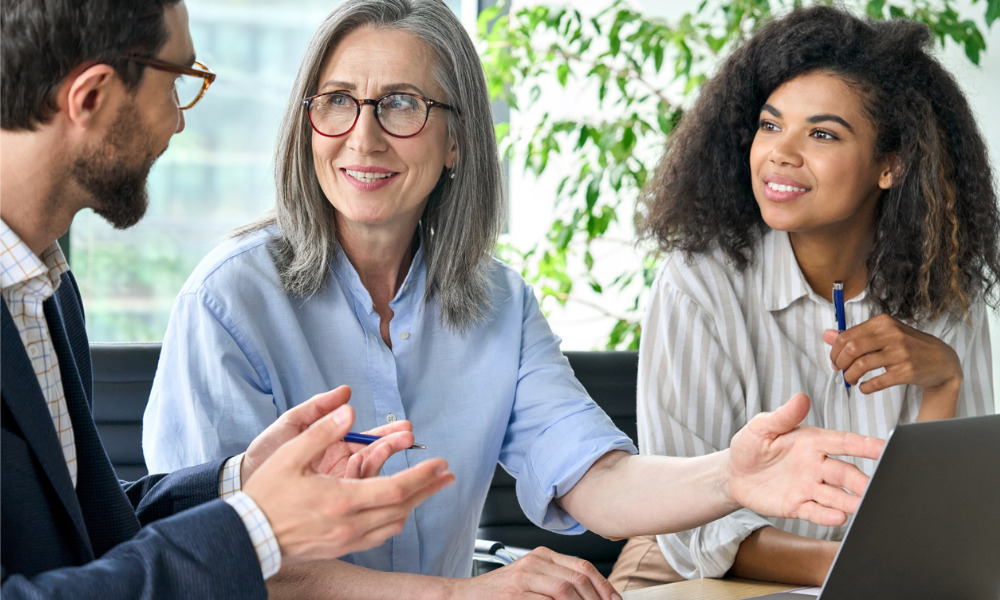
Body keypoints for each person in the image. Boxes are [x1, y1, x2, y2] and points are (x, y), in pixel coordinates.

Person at [141, 1, 886, 598]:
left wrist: (733, 475)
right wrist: (462, 594)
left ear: (457, 141)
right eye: (337, 102)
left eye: (401, 105)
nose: (362, 136)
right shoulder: (229, 299)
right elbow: (217, 559)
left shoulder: (498, 300)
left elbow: (596, 481)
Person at [0, 1, 457, 597]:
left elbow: (89, 541)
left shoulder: (46, 293)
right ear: (91, 98)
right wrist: (257, 527)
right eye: (175, 86)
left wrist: (241, 481)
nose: (178, 123)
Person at [608, 5, 999, 593]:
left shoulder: (940, 282)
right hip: (695, 572)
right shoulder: (700, 283)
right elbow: (693, 534)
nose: (780, 153)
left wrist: (943, 381)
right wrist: (858, 569)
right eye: (770, 125)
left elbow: (945, 515)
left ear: (889, 164)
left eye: (821, 133)